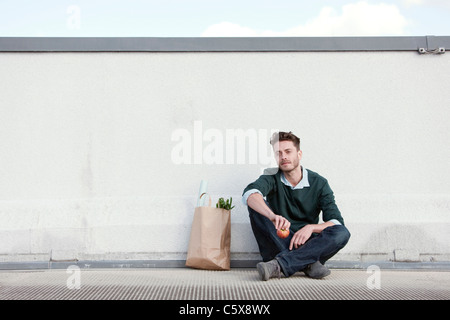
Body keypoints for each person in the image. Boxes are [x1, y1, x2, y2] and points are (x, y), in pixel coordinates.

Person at [242, 131, 350, 281]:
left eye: (288, 151)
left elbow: (336, 222)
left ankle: (280, 264)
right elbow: (250, 193)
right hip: (279, 241)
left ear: (299, 154)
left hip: (307, 243)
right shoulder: (271, 176)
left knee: (342, 232)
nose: (283, 156)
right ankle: (308, 263)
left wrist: (311, 227)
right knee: (257, 206)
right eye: (278, 153)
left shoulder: (319, 183)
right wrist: (272, 216)